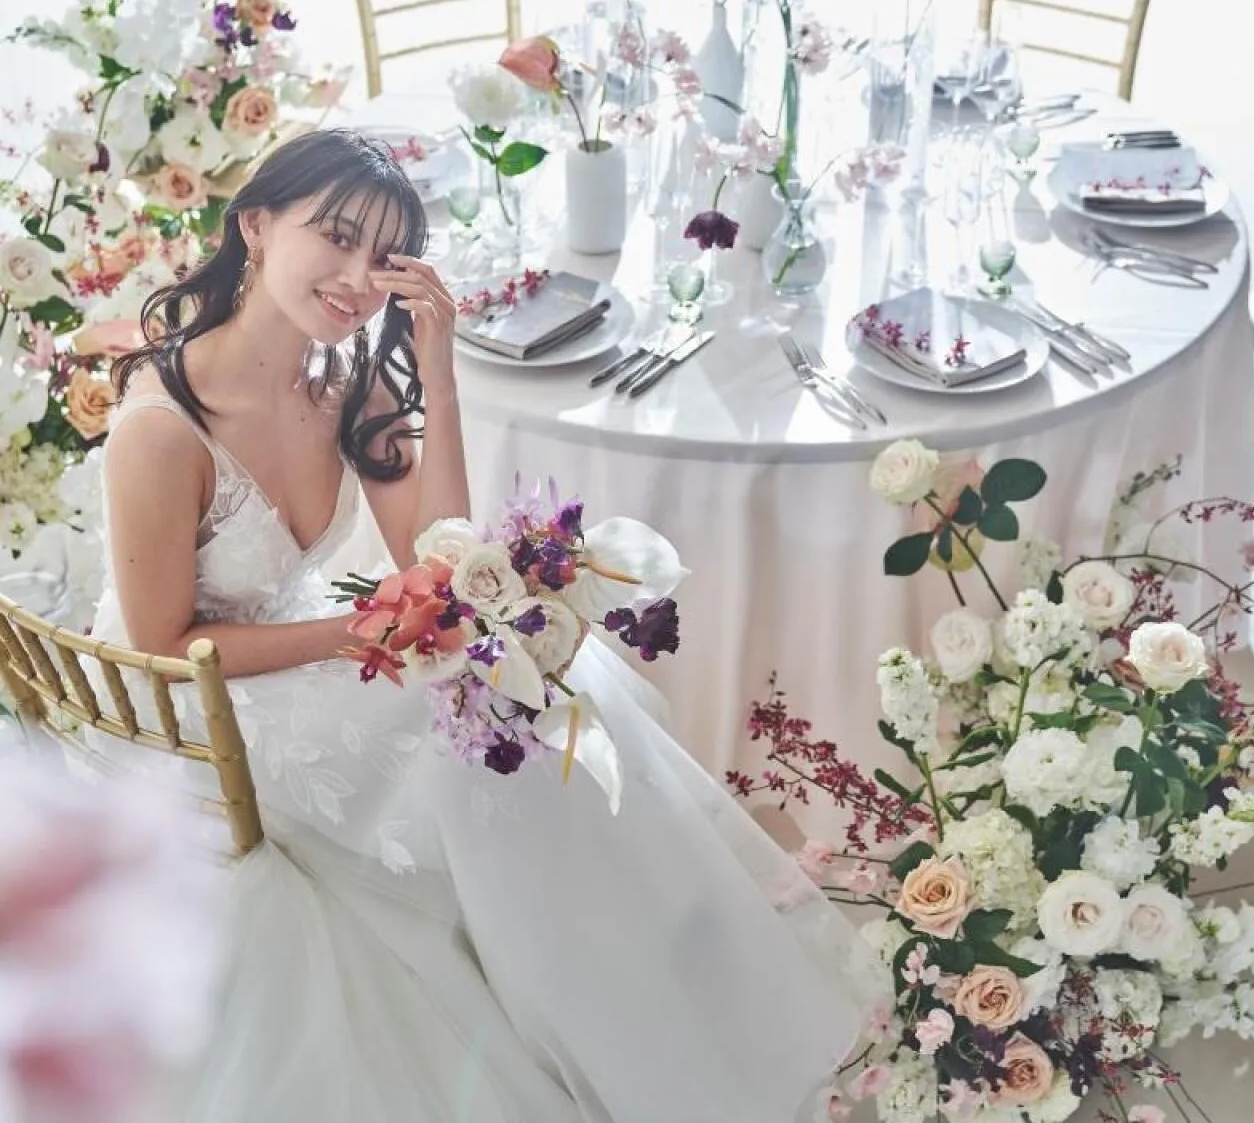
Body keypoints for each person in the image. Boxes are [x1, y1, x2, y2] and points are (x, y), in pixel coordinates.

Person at [92, 129, 883, 1123]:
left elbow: (439, 551)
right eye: (334, 238)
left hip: (310, 648)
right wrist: (360, 632)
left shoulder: (349, 382)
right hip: (192, 708)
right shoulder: (162, 429)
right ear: (255, 225)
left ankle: (637, 985)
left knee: (533, 693)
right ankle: (579, 992)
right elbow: (162, 644)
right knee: (477, 740)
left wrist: (438, 371)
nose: (356, 279)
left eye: (382, 257)